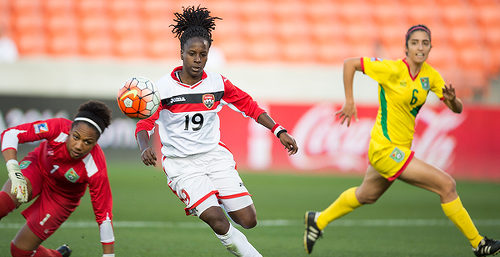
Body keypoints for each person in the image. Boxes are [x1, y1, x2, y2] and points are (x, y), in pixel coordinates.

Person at [303, 24, 500, 256]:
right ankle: (478, 243)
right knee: (447, 186)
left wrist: (453, 100)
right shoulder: (392, 69)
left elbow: (457, 109)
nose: (420, 47)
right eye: (415, 42)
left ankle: (318, 219)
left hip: (399, 149)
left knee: (367, 195)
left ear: (430, 47)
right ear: (406, 47)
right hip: (386, 148)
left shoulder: (431, 76)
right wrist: (349, 101)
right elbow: (350, 63)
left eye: (425, 43)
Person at [135, 6, 298, 257]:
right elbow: (144, 124)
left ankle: (214, 194)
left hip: (214, 158)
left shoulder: (217, 83)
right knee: (219, 221)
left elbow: (249, 106)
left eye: (203, 54)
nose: (198, 59)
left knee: (248, 220)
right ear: (181, 53)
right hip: (182, 165)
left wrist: (279, 131)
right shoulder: (162, 89)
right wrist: (145, 146)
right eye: (192, 54)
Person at [0, 100, 115, 257]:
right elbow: (11, 134)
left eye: (87, 142)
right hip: (38, 168)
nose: (79, 146)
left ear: (95, 143)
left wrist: (109, 255)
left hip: (61, 198)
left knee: (19, 252)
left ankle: (57, 255)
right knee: (2, 203)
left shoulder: (95, 166)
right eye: (76, 137)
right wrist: (15, 171)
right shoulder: (57, 127)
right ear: (69, 130)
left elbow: (104, 215)